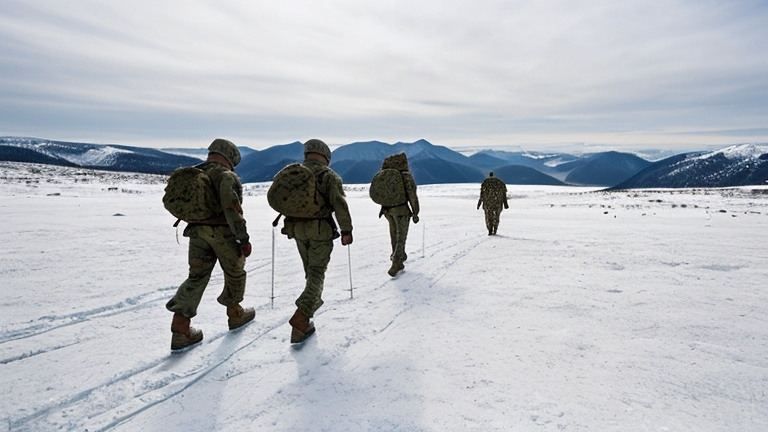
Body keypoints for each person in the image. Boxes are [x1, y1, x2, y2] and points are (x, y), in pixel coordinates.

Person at [166, 138, 255, 351]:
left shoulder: (196, 173)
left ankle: (181, 329)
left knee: (196, 277)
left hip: (196, 231)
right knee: (234, 273)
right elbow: (232, 209)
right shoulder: (225, 176)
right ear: (230, 156)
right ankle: (235, 315)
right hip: (223, 232)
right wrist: (243, 239)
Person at [282, 139, 353, 343]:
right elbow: (339, 205)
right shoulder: (327, 175)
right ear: (325, 155)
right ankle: (302, 318)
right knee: (316, 272)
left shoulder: (294, 173)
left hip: (296, 228)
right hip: (320, 229)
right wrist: (346, 230)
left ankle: (304, 322)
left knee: (310, 271)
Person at [378, 152, 420, 277]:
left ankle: (399, 256)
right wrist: (415, 212)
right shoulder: (406, 176)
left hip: (387, 210)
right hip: (401, 211)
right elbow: (412, 195)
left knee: (393, 234)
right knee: (401, 237)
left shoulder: (386, 175)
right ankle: (396, 263)